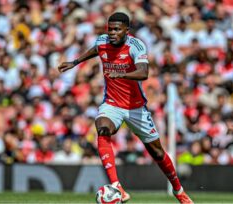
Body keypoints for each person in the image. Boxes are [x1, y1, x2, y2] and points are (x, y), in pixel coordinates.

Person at [58, 12, 193, 204]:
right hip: (112, 103)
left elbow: (144, 73)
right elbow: (96, 49)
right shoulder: (102, 40)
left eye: (116, 29)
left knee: (157, 152)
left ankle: (178, 190)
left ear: (126, 31)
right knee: (102, 128)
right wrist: (75, 62)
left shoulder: (135, 46)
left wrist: (121, 75)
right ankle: (117, 186)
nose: (112, 33)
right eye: (110, 29)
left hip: (135, 107)